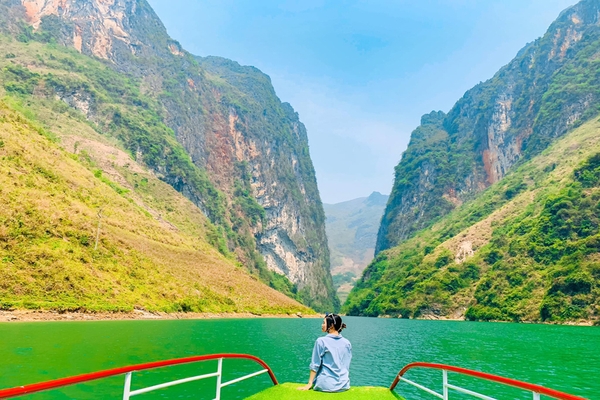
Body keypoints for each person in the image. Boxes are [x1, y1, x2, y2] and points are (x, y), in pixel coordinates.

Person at [298, 313, 352, 392]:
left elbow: (315, 364)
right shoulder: (347, 343)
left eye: (324, 323)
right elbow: (346, 365)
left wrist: (309, 383)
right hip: (344, 385)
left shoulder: (321, 341)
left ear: (331, 325)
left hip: (326, 385)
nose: (322, 325)